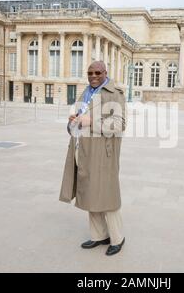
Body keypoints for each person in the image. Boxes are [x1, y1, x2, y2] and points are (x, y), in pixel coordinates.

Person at [59, 61, 126, 256]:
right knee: (90, 193)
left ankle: (117, 238)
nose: (93, 76)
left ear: (105, 72)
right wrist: (73, 121)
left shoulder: (115, 94)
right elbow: (79, 117)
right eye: (90, 73)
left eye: (97, 72)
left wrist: (91, 121)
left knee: (107, 195)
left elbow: (120, 124)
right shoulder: (85, 92)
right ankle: (99, 236)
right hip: (83, 150)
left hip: (103, 154)